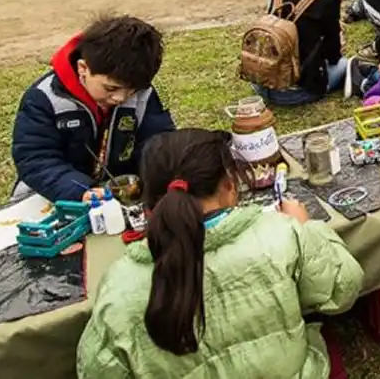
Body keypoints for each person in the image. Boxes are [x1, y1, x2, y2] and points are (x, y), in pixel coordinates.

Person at [77, 129, 363, 378]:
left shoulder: (120, 283)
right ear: (229, 184)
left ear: (149, 199)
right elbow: (343, 289)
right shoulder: (281, 233)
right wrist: (308, 228)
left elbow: (97, 370)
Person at [12, 16, 175, 202]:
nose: (121, 98)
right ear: (83, 68)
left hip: (117, 194)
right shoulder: (45, 98)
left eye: (132, 91)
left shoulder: (144, 94)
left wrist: (162, 171)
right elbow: (35, 160)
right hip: (54, 195)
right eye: (110, 88)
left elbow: (157, 142)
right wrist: (80, 190)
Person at [256, 0, 347, 105]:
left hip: (263, 84)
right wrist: (338, 41)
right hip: (297, 93)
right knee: (343, 64)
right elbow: (333, 56)